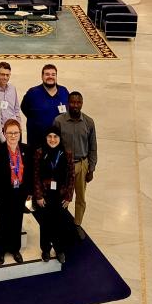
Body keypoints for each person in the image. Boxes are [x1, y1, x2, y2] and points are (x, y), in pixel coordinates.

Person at [0, 119, 33, 265]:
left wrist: (30, 192)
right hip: (2, 192)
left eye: (16, 133)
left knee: (16, 220)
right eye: (10, 133)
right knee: (2, 221)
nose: (13, 136)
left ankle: (15, 249)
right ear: (4, 134)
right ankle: (0, 250)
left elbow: (30, 173)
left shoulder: (26, 150)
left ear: (20, 134)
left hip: (20, 192)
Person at [53, 91, 96, 239]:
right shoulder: (59, 121)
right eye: (72, 102)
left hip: (82, 165)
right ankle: (61, 223)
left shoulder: (89, 122)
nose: (75, 105)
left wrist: (91, 168)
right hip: (65, 166)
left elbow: (93, 147)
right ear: (67, 103)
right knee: (63, 196)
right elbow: (54, 145)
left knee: (81, 197)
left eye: (78, 103)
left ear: (82, 103)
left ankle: (77, 224)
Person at [33, 125, 74, 263]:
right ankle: (45, 249)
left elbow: (71, 176)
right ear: (46, 138)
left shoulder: (67, 153)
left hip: (61, 196)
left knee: (60, 223)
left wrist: (69, 196)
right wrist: (38, 195)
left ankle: (59, 249)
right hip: (45, 195)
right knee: (45, 223)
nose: (52, 139)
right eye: (49, 136)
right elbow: (36, 175)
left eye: (55, 136)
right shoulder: (39, 152)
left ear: (59, 138)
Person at [20, 64, 70, 147]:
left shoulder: (64, 91)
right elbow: (24, 108)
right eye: (47, 74)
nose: (50, 77)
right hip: (37, 143)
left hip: (58, 143)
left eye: (53, 74)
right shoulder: (33, 93)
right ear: (42, 76)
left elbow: (68, 111)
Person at [0, 62, 21, 142]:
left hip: (14, 129)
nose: (5, 77)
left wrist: (18, 127)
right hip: (0, 131)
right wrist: (2, 136)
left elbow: (16, 110)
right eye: (2, 74)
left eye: (7, 75)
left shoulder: (12, 88)